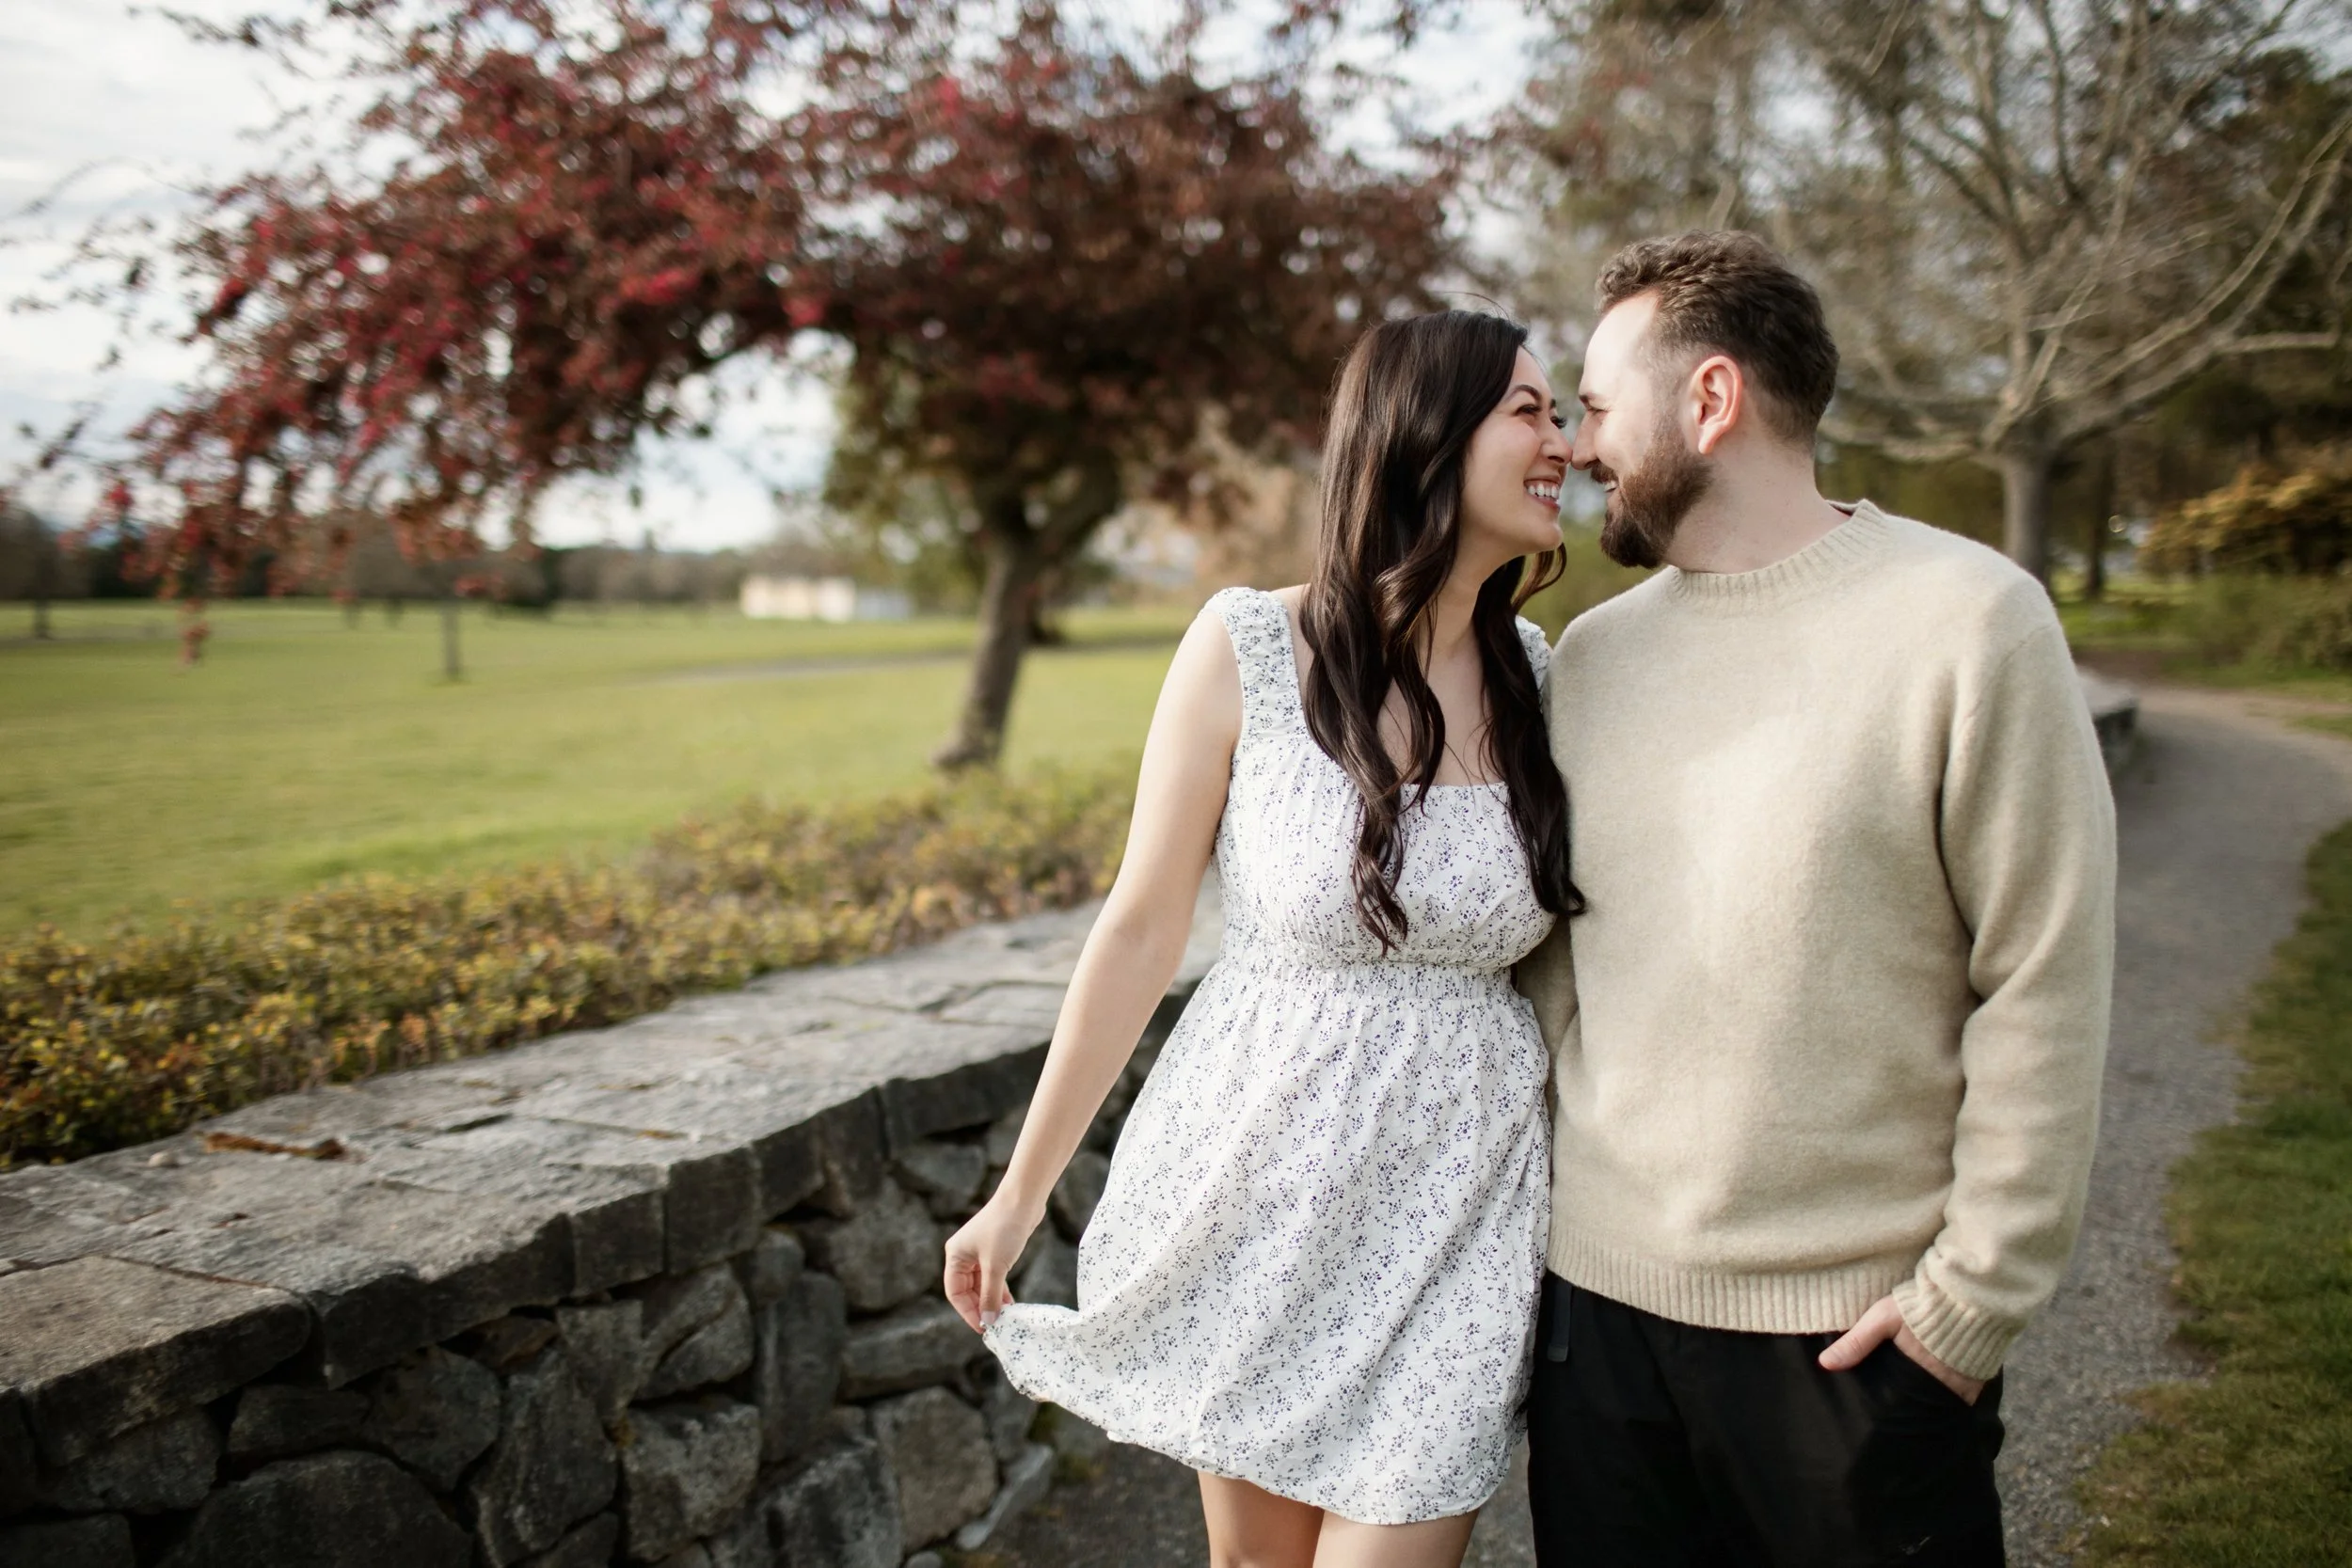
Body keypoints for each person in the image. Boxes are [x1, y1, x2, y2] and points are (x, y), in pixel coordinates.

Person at [1516, 230, 2117, 1566]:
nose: (1580, 445)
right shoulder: (1594, 659)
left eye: (1599, 406)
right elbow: (1552, 972)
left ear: (1711, 398)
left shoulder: (1972, 621)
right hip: (1598, 1336)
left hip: (1854, 1349)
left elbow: (2045, 973)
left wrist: (1968, 1310)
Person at [944, 309, 1580, 1568]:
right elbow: (1140, 927)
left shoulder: (1540, 674)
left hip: (1462, 1208)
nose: (1565, 442)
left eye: (1560, 414)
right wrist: (1018, 1196)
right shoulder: (1249, 646)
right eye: (1530, 412)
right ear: (1425, 434)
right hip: (1263, 1183)